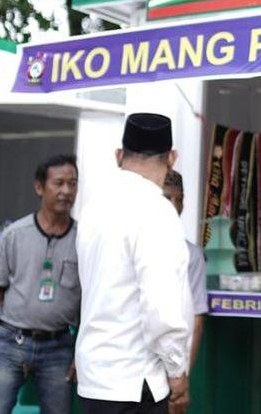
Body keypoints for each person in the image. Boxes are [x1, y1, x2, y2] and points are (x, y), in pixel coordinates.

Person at [76, 113, 192, 414]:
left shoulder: (93, 208)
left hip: (94, 376)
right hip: (134, 380)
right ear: (172, 158)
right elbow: (162, 307)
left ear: (118, 156)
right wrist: (177, 370)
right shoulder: (157, 211)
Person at [0, 154, 80, 414]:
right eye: (59, 183)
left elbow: (91, 301)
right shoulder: (15, 235)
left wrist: (80, 354)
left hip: (59, 345)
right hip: (10, 342)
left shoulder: (84, 240)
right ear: (39, 187)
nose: (66, 191)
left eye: (73, 183)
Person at [162, 169, 208, 372]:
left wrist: (183, 374)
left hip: (170, 362)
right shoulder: (130, 245)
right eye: (166, 197)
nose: (173, 205)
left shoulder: (192, 255)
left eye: (178, 199)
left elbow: (196, 321)